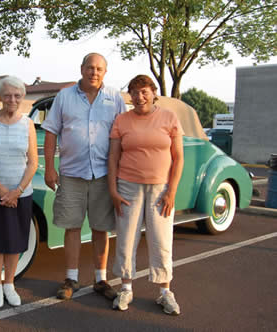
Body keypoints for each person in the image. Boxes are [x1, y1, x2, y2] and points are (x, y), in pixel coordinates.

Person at [42, 53, 126, 301]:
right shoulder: (64, 97)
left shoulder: (115, 98)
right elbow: (50, 133)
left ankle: (101, 280)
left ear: (105, 72)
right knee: (73, 227)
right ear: (81, 69)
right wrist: (49, 167)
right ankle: (71, 278)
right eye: (90, 67)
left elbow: (124, 134)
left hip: (104, 175)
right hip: (71, 174)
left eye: (99, 68)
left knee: (101, 228)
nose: (94, 72)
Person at [108, 74, 184, 315]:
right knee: (126, 238)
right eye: (134, 92)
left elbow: (179, 157)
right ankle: (126, 288)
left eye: (144, 92)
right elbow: (113, 157)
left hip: (160, 189)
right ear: (129, 95)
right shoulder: (122, 120)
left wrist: (171, 191)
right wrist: (113, 190)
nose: (139, 97)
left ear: (153, 93)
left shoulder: (169, 117)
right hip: (127, 186)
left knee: (161, 240)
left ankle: (164, 292)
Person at [0, 76, 38, 308]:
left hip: (20, 194)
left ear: (22, 98)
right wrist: (2, 191)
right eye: (8, 95)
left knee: (14, 241)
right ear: (0, 97)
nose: (12, 99)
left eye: (17, 95)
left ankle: (10, 284)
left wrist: (16, 191)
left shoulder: (28, 124)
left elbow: (33, 163)